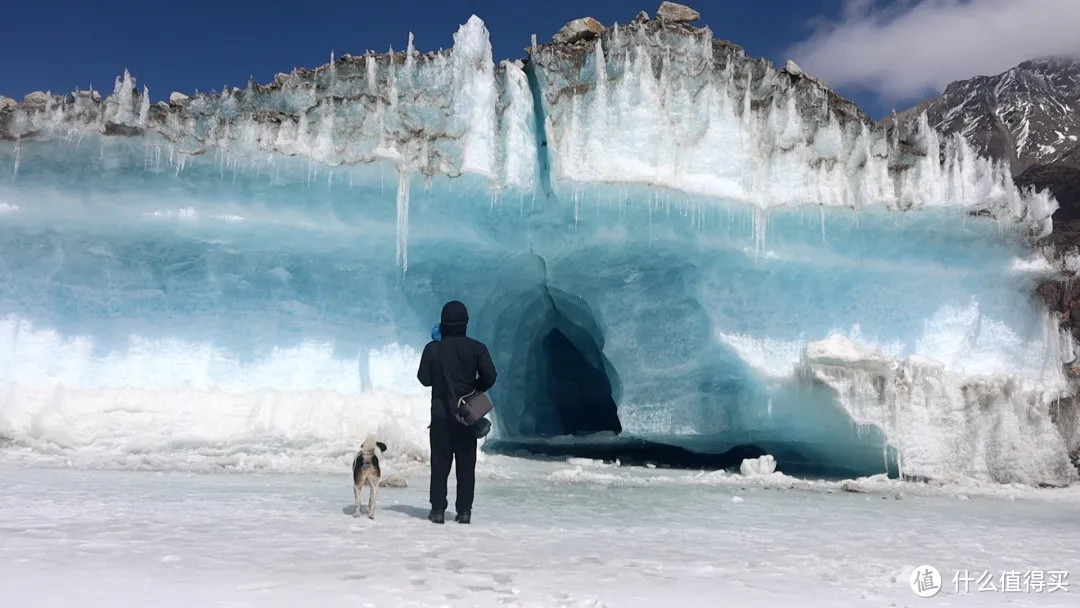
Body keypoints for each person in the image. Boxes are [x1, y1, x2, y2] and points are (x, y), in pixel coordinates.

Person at [416, 300, 496, 524]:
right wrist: (475, 390)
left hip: (441, 414)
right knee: (466, 463)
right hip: (467, 415)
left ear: (443, 322)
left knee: (440, 463)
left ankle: (438, 510)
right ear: (466, 323)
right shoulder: (477, 348)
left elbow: (424, 379)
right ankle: (464, 512)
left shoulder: (433, 349)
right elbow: (491, 375)